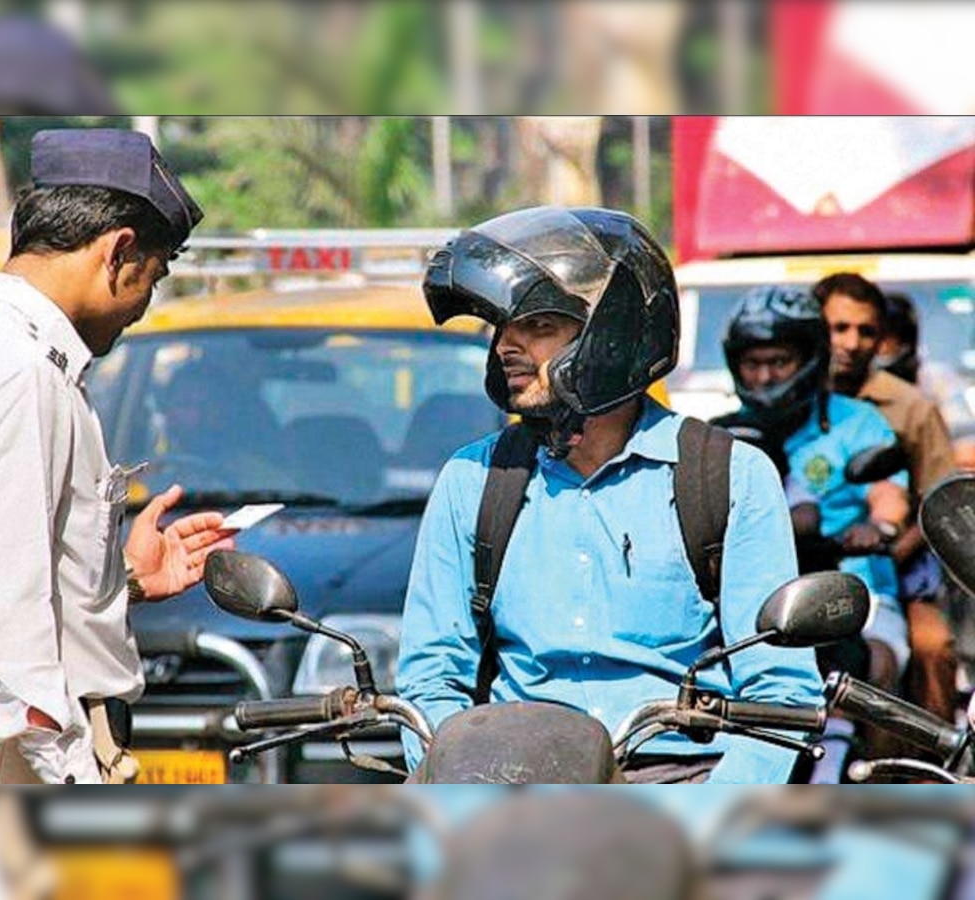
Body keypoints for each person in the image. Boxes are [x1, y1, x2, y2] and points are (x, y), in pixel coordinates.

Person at [396, 206, 823, 785]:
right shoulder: (473, 479)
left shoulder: (729, 475)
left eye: (539, 327)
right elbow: (431, 677)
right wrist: (459, 787)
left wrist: (710, 822)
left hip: (678, 778)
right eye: (504, 329)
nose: (506, 349)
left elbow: (780, 691)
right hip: (513, 784)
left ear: (615, 335)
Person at [0, 128, 236, 784]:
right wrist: (73, 776)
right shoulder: (20, 374)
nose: (140, 310)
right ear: (119, 252)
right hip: (20, 762)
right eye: (151, 280)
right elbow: (1, 619)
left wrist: (119, 581)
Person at [715, 285, 910, 782]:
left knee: (879, 666)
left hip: (853, 586)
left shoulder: (859, 422)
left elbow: (889, 495)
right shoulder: (723, 433)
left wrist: (878, 526)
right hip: (749, 596)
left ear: (809, 359)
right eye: (753, 363)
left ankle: (877, 784)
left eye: (777, 362)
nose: (764, 376)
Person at [814, 273, 957, 725]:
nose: (851, 343)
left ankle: (929, 775)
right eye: (839, 328)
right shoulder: (791, 403)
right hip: (808, 568)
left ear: (882, 339)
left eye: (866, 331)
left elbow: (940, 504)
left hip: (897, 569)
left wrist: (889, 543)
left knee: (932, 649)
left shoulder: (910, 407)